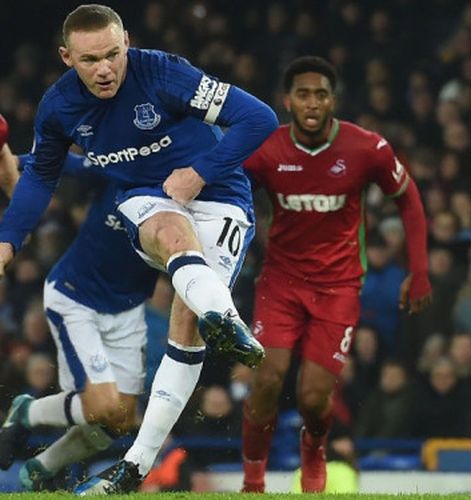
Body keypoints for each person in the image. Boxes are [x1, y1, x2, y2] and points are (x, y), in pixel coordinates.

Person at [0, 5, 278, 494]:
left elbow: (259, 118)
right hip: (146, 202)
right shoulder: (59, 107)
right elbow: (41, 174)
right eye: (90, 60)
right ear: (67, 57)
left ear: (126, 41)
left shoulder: (165, 74)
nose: (105, 69)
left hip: (221, 198)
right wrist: (7, 240)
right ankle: (229, 319)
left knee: (186, 325)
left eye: (113, 54)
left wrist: (201, 171)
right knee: (170, 234)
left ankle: (135, 468)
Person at [240, 56, 431, 493]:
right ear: (288, 100)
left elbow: (409, 199)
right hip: (280, 282)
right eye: (303, 94)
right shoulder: (266, 150)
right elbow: (230, 196)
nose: (312, 103)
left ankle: (315, 449)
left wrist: (418, 271)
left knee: (312, 398)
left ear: (333, 101)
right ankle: (253, 481)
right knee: (267, 380)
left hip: (339, 287)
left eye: (321, 94)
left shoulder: (366, 148)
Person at [0, 138, 160, 491]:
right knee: (100, 405)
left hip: (128, 308)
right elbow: (61, 164)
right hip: (76, 298)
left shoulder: (187, 196)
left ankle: (42, 466)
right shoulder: (120, 171)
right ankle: (26, 412)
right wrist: (11, 159)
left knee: (119, 420)